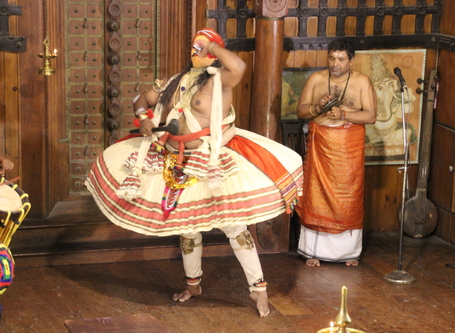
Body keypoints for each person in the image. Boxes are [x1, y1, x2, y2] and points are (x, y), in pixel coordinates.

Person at [85, 28, 303, 317]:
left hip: (211, 159)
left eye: (203, 47)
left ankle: (258, 290)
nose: (196, 51)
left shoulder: (220, 81)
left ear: (215, 51)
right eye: (194, 46)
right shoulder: (176, 80)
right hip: (173, 159)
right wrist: (143, 119)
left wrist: (211, 45)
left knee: (234, 227)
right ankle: (193, 284)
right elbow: (141, 99)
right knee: (187, 228)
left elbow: (238, 66)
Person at [295, 39, 376, 267]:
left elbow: (370, 116)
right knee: (315, 192)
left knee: (348, 195)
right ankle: (313, 251)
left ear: (351, 60)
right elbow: (301, 111)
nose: (335, 63)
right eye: (332, 58)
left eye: (341, 59)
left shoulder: (361, 82)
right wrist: (317, 108)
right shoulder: (316, 79)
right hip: (321, 145)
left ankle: (348, 253)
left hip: (348, 148)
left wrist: (344, 115)